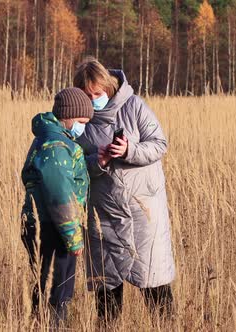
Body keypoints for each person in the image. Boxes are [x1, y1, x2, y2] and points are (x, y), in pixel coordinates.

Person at [73, 57, 175, 322]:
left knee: (154, 281)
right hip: (103, 213)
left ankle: (166, 326)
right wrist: (99, 161)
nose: (94, 98)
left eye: (98, 93)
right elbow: (74, 167)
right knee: (107, 290)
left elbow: (159, 144)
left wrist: (129, 150)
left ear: (108, 86)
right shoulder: (79, 120)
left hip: (143, 210)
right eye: (87, 94)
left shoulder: (134, 106)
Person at [20, 87, 94, 324]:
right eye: (83, 121)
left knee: (45, 284)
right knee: (58, 290)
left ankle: (39, 323)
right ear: (70, 116)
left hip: (46, 225)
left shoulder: (49, 139)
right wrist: (73, 237)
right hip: (53, 228)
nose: (84, 127)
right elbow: (60, 195)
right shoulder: (57, 147)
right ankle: (54, 327)